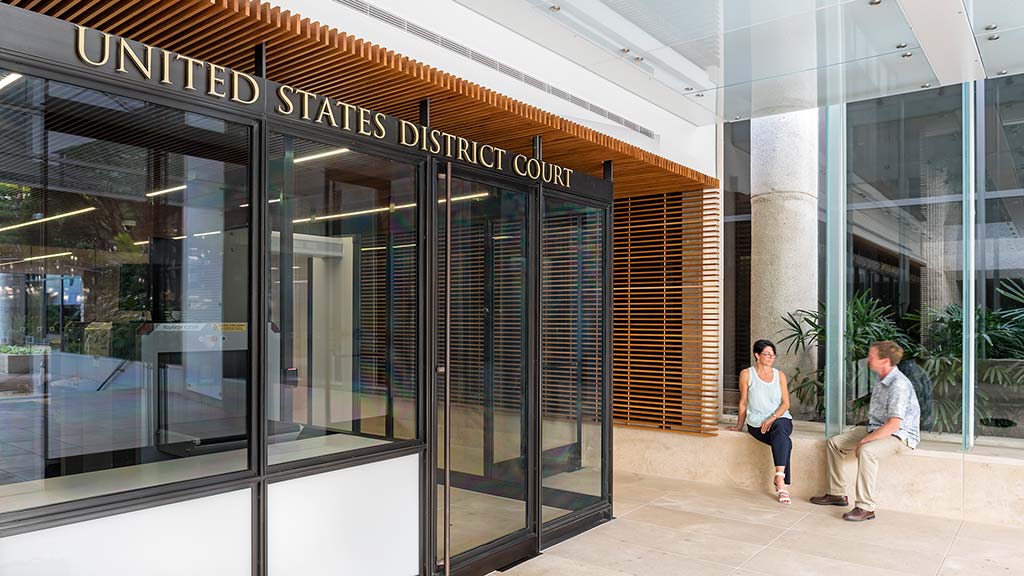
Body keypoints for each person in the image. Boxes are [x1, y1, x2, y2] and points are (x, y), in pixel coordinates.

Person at [810, 340, 921, 521]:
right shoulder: (881, 378)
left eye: (872, 356)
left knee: (867, 451)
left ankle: (865, 507)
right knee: (834, 443)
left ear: (885, 361)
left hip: (901, 436)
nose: (868, 359)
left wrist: (865, 440)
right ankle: (836, 493)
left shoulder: (898, 385)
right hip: (877, 428)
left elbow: (894, 424)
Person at [730, 339, 794, 504]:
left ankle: (780, 480)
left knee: (780, 429)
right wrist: (739, 425)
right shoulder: (747, 374)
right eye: (767, 354)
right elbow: (743, 402)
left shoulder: (779, 375)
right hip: (757, 423)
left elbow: (786, 403)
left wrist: (772, 417)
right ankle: (782, 483)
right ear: (756, 355)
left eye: (773, 354)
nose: (771, 357)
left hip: (780, 418)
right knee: (783, 440)